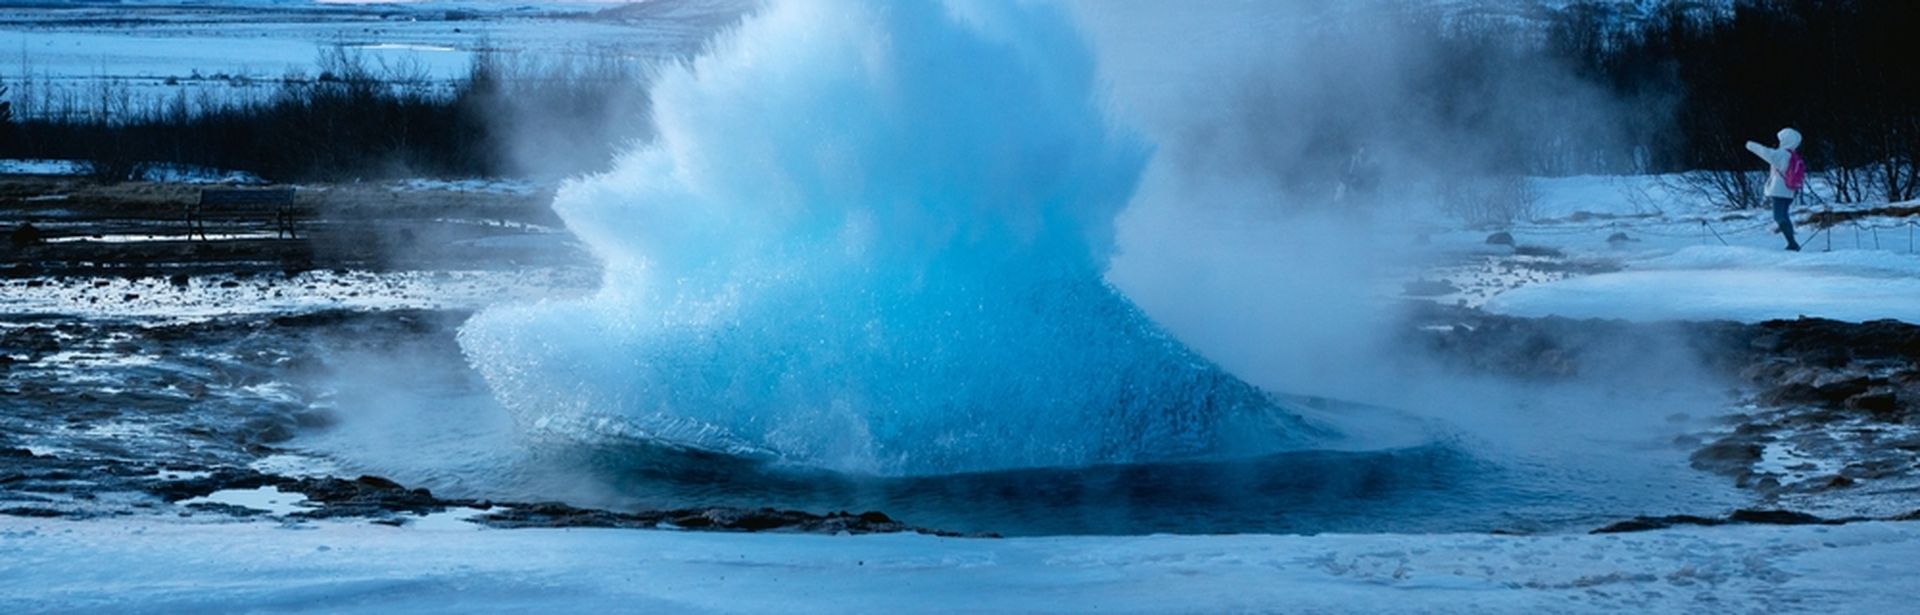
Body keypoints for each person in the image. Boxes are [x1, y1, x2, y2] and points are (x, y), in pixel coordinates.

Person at [1746, 127, 1803, 251]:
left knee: (1779, 217)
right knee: (1784, 215)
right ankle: (1792, 242)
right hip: (1790, 190)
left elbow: (1765, 152)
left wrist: (1750, 145)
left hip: (1779, 190)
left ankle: (1792, 243)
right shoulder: (1793, 155)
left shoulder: (1782, 154)